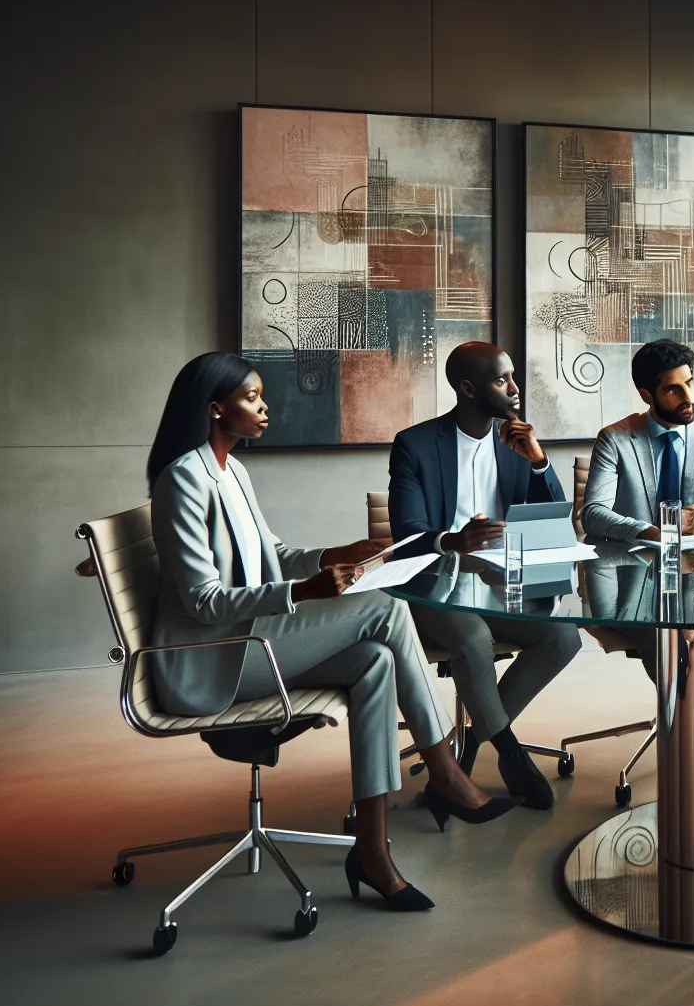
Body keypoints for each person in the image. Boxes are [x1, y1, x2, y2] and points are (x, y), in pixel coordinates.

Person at [147, 353, 520, 914]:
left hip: (250, 642)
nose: (265, 406)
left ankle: (372, 851)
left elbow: (273, 556)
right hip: (214, 659)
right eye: (252, 397)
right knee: (387, 609)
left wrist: (336, 555)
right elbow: (205, 602)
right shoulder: (183, 480)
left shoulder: (232, 470)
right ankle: (444, 768)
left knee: (374, 662)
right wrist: (305, 591)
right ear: (215, 409)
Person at [387, 342, 583, 811]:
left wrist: (538, 461)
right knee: (473, 637)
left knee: (563, 638)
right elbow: (407, 534)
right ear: (468, 389)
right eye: (502, 380)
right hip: (435, 585)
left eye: (513, 377)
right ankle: (511, 756)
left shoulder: (514, 444)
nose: (515, 389)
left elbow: (552, 523)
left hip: (501, 584)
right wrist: (454, 541)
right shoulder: (415, 444)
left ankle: (469, 749)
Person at [581, 338, 694, 544]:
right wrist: (651, 533)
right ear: (646, 396)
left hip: (690, 560)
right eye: (672, 390)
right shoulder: (613, 440)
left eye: (689, 383)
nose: (688, 397)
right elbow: (592, 515)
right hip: (629, 558)